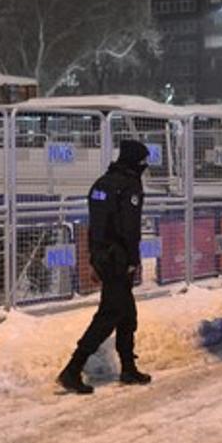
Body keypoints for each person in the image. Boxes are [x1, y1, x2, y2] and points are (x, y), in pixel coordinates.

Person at [57, 140, 154, 394]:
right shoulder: (129, 185)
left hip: (102, 255)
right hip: (119, 258)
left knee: (127, 314)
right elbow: (129, 229)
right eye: (143, 161)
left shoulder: (101, 183)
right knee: (109, 314)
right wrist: (133, 260)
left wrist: (93, 257)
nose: (145, 166)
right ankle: (72, 369)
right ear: (135, 161)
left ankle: (128, 368)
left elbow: (95, 226)